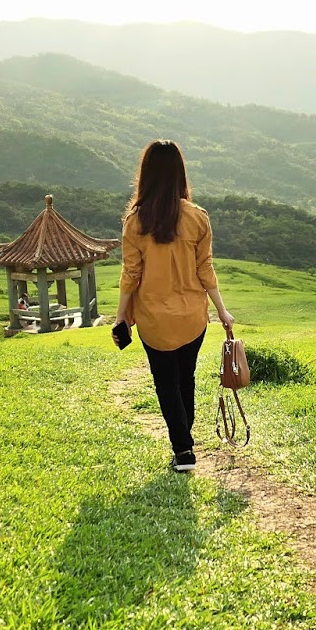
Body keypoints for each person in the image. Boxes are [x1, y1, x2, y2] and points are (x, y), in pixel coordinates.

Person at [114, 140, 235, 473]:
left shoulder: (135, 221)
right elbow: (205, 269)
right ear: (180, 173)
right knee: (186, 378)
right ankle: (185, 441)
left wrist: (121, 315)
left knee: (166, 383)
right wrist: (221, 311)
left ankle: (183, 450)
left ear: (146, 175)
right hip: (192, 315)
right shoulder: (198, 218)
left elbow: (130, 274)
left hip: (154, 318)